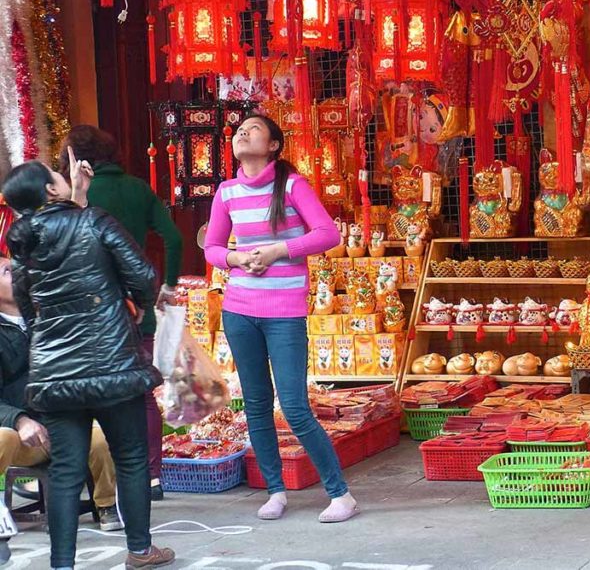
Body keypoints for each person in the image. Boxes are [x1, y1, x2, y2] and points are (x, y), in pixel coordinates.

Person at [2, 158, 174, 569]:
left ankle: (62, 564)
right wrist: (128, 303)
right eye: (55, 174)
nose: (63, 176)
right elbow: (145, 276)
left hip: (55, 372)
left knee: (64, 469)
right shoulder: (95, 222)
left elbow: (29, 308)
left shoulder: (22, 246)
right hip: (111, 361)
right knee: (130, 457)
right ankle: (139, 550)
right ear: (49, 190)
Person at [204, 115, 357, 523]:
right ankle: (275, 490)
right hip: (239, 310)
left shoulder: (291, 185)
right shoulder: (226, 191)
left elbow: (328, 234)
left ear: (273, 145)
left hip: (284, 312)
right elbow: (212, 247)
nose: (242, 133)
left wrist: (277, 251)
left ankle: (340, 494)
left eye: (253, 129)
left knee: (294, 406)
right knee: (255, 404)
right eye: (239, 130)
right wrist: (235, 257)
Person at [58, 125, 183, 500]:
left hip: (88, 311)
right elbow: (174, 238)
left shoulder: (76, 196)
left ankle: (100, 483)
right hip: (135, 305)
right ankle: (151, 476)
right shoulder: (138, 188)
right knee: (142, 393)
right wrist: (168, 286)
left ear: (74, 159)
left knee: (86, 391)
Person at [0, 255, 122, 531]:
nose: (18, 274)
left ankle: (105, 505)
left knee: (100, 436)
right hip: (20, 435)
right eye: (8, 272)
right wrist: (21, 420)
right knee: (2, 438)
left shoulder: (47, 319)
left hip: (60, 427)